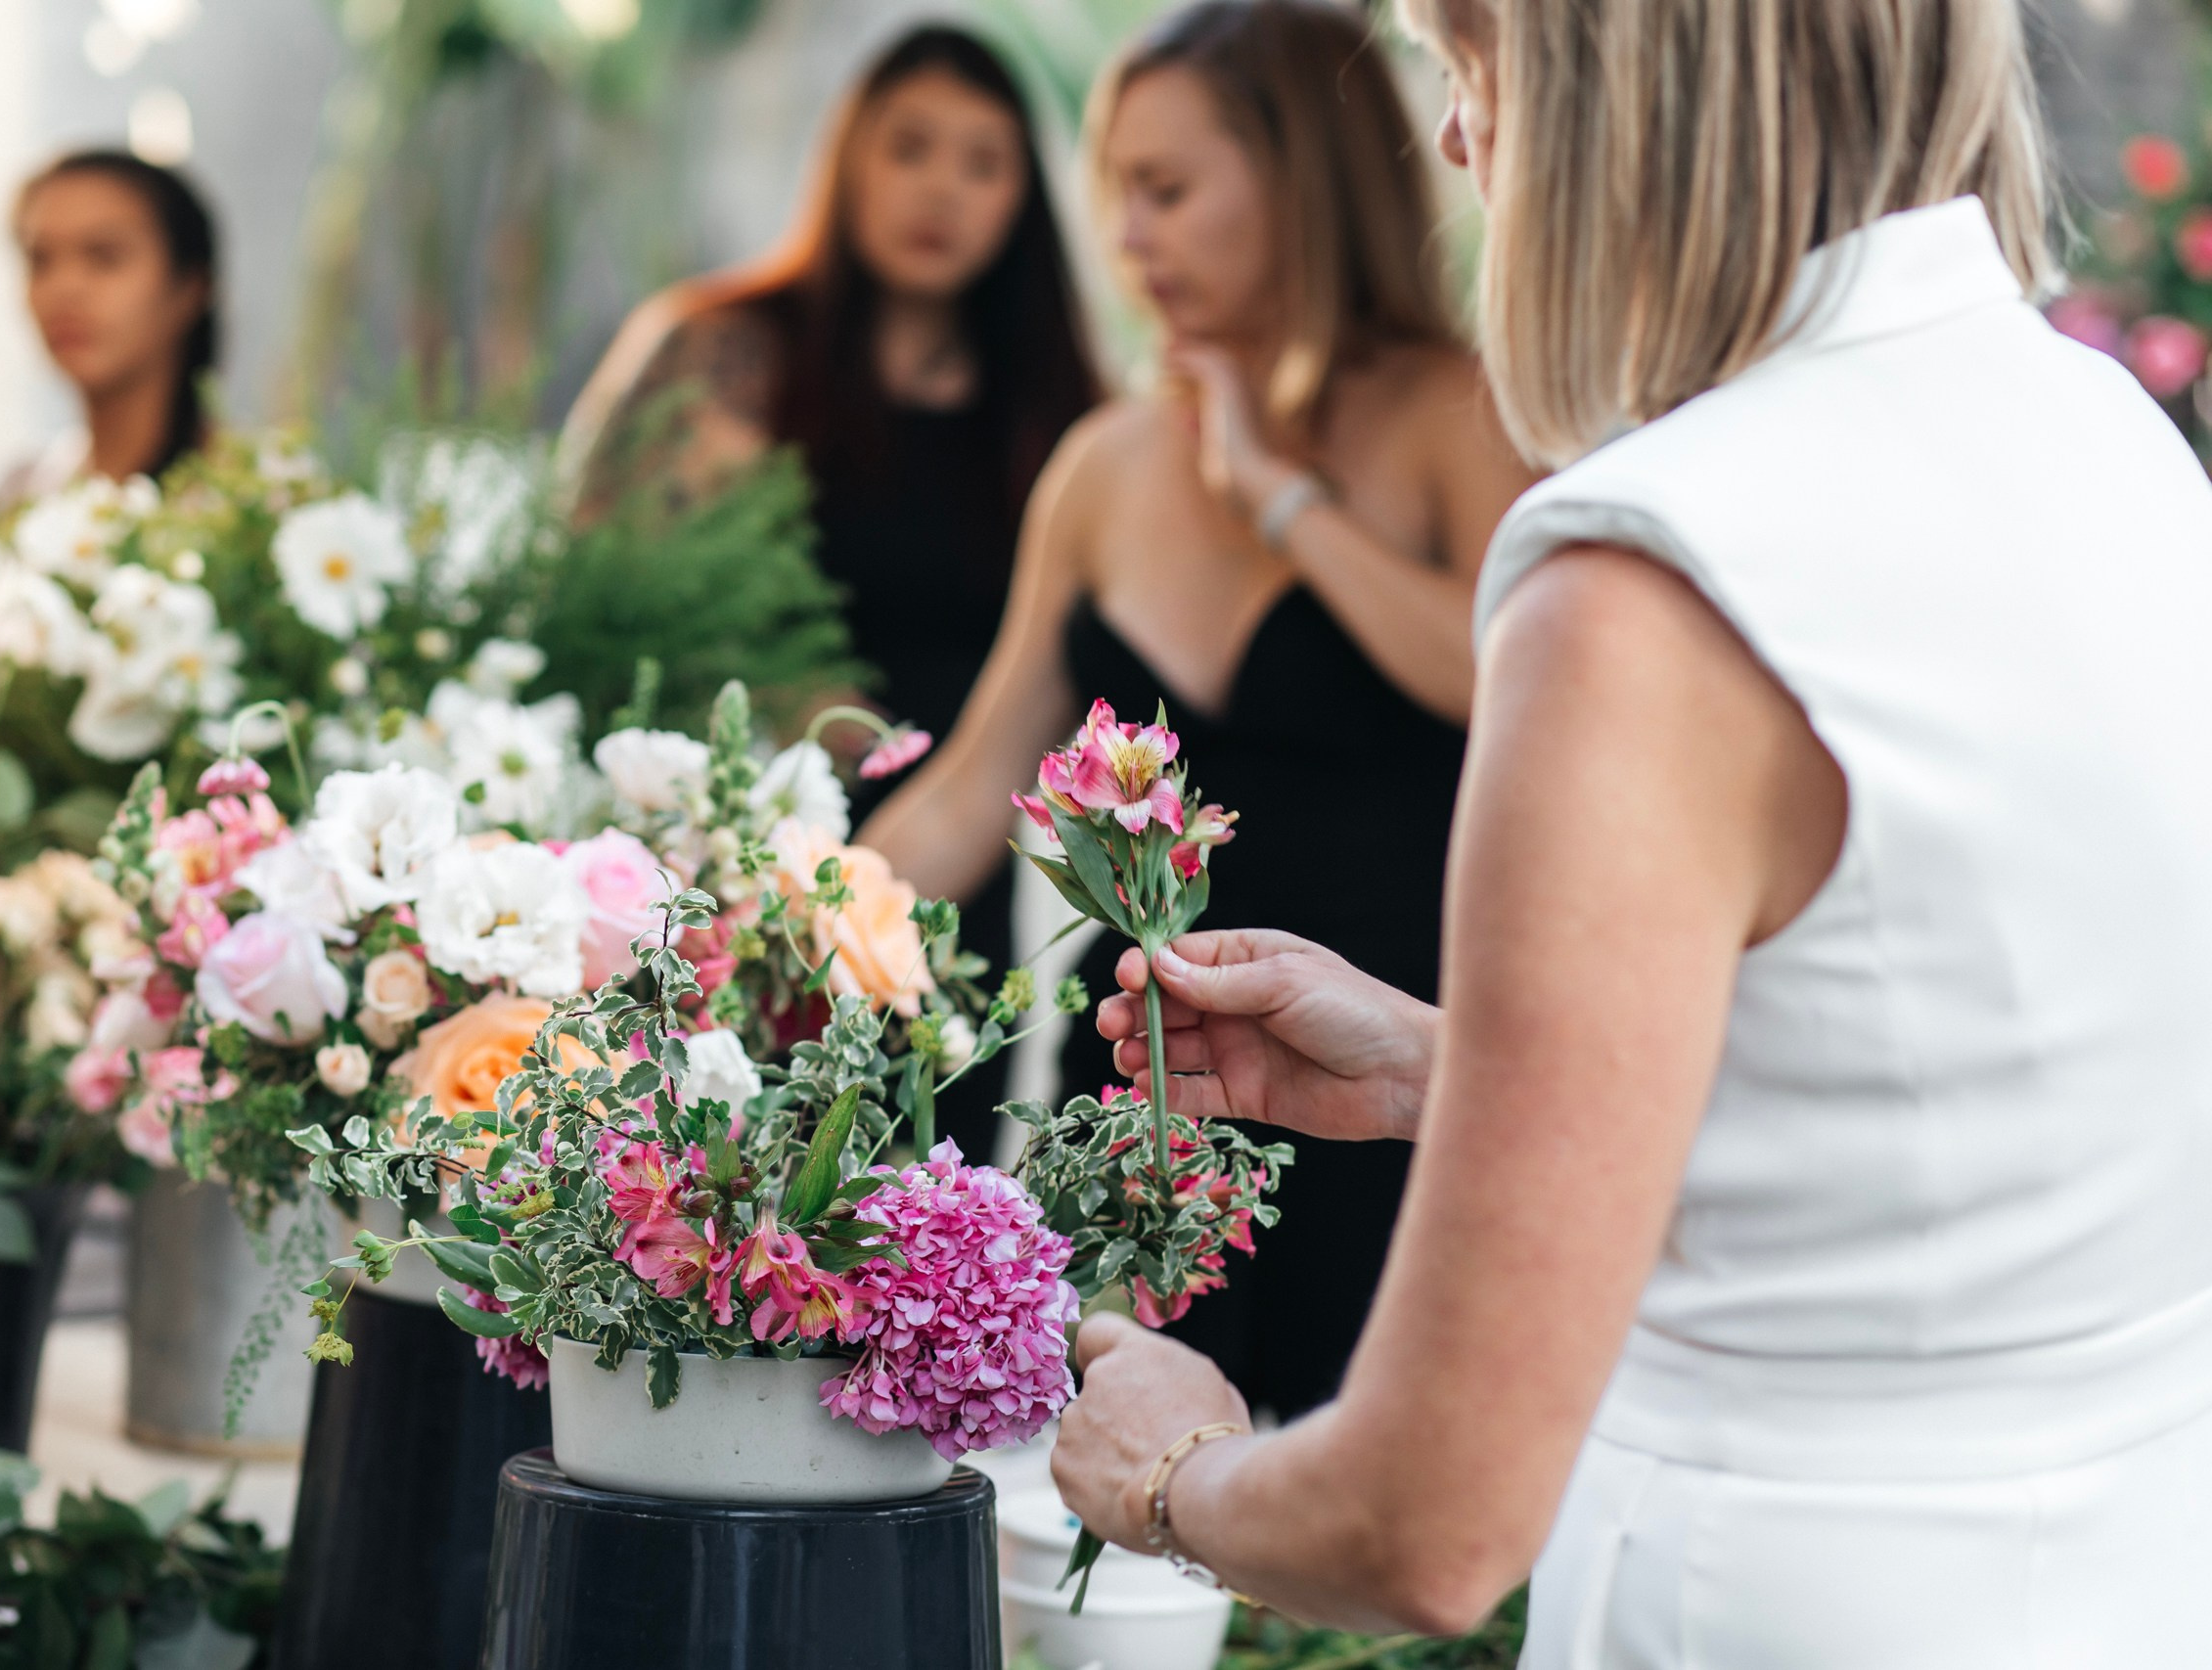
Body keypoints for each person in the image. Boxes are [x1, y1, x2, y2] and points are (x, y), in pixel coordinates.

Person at [1050, 0, 2212, 1658]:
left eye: (1471, 68)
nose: (1454, 138)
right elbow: (1971, 1115)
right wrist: (1458, 1075)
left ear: (1617, 91)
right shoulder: (2110, 442)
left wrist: (1169, 1463)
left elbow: (1424, 1526)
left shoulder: (1643, 581)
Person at [859, 0, 1535, 1421]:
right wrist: (773, 919)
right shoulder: (1103, 468)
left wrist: (1280, 497)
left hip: (1401, 1075)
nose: (1131, 238)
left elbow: (1506, 673)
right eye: (1117, 197)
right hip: (1167, 1103)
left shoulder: (1460, 414)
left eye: (1167, 189)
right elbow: (977, 786)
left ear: (1301, 181)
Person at [563, 24, 1104, 1161]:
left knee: (910, 1221)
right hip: (729, 853)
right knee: (701, 1210)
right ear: (848, 156)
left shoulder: (1058, 411)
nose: (940, 190)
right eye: (909, 147)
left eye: (982, 161)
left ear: (1023, 196)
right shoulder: (718, 354)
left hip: (953, 882)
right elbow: (596, 595)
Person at [8, 150, 220, 495]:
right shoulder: (19, 497)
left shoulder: (253, 499)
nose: (65, 289)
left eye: (105, 256)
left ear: (190, 287)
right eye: (40, 260)